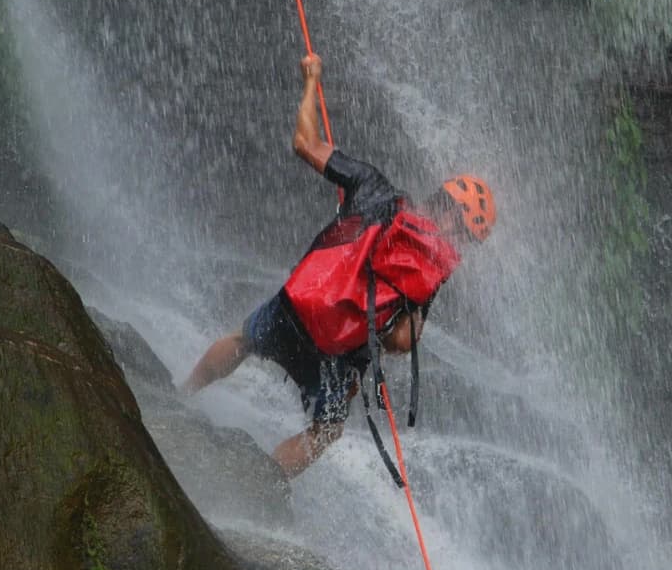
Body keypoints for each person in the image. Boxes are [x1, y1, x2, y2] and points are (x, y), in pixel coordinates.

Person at [181, 53, 496, 479]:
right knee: (327, 429)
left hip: (299, 306)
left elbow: (304, 143)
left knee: (242, 340)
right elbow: (400, 342)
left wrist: (311, 80)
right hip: (336, 352)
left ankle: (181, 396)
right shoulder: (431, 274)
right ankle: (261, 483)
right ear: (465, 237)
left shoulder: (376, 189)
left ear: (438, 194)